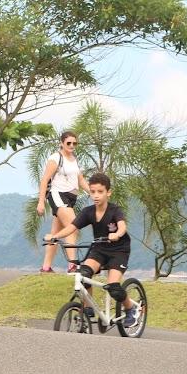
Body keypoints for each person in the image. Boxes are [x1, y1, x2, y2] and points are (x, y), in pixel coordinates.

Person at [45, 172, 141, 327]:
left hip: (119, 251)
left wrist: (117, 234)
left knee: (114, 288)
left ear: (108, 193)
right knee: (83, 274)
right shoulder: (88, 212)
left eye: (100, 192)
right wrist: (54, 236)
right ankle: (88, 309)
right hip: (99, 249)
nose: (96, 195)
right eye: (92, 192)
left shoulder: (115, 210)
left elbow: (122, 227)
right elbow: (71, 227)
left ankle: (131, 310)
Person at [36, 130, 89, 273]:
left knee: (56, 232)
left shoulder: (74, 159)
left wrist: (93, 192)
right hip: (58, 194)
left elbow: (81, 179)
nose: (72, 145)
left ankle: (46, 267)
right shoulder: (56, 158)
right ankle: (72, 265)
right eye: (69, 143)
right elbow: (45, 179)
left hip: (71, 198)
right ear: (62, 143)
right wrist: (41, 202)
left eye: (74, 143)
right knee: (73, 226)